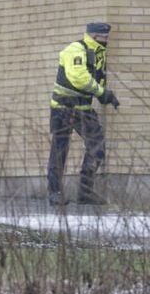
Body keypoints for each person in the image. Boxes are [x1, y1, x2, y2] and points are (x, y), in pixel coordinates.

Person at [47, 22, 120, 206]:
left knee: (97, 146)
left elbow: (96, 78)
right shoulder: (76, 49)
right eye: (104, 37)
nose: (107, 40)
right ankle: (54, 192)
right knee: (60, 150)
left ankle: (85, 192)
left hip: (84, 109)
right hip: (63, 108)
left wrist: (106, 95)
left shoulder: (98, 54)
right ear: (95, 36)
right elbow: (78, 77)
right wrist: (102, 93)